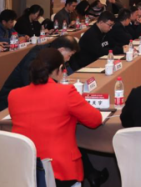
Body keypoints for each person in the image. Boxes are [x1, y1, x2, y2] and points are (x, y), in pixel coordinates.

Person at [8, 48, 103, 187]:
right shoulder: (66, 92)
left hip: (25, 169)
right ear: (60, 69)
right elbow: (95, 120)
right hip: (60, 171)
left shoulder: (14, 95)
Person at [0, 36, 80, 115]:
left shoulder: (51, 54)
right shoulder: (36, 58)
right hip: (7, 108)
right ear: (61, 50)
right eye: (69, 55)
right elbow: (32, 87)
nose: (68, 59)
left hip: (26, 103)